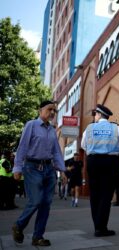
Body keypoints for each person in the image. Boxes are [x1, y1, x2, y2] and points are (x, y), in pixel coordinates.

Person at [11, 100, 66, 247]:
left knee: (46, 204)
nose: (52, 113)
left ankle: (38, 236)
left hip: (49, 170)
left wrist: (63, 171)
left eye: (54, 110)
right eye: (49, 109)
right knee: (35, 201)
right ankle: (19, 225)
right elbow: (22, 147)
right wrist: (17, 168)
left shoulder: (52, 130)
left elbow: (56, 152)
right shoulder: (31, 125)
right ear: (40, 110)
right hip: (32, 167)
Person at [81, 104, 119, 237]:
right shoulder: (115, 128)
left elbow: (84, 145)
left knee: (95, 194)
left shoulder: (89, 128)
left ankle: (97, 226)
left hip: (93, 162)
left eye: (95, 114)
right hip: (110, 164)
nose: (94, 116)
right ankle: (101, 228)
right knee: (106, 195)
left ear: (100, 114)